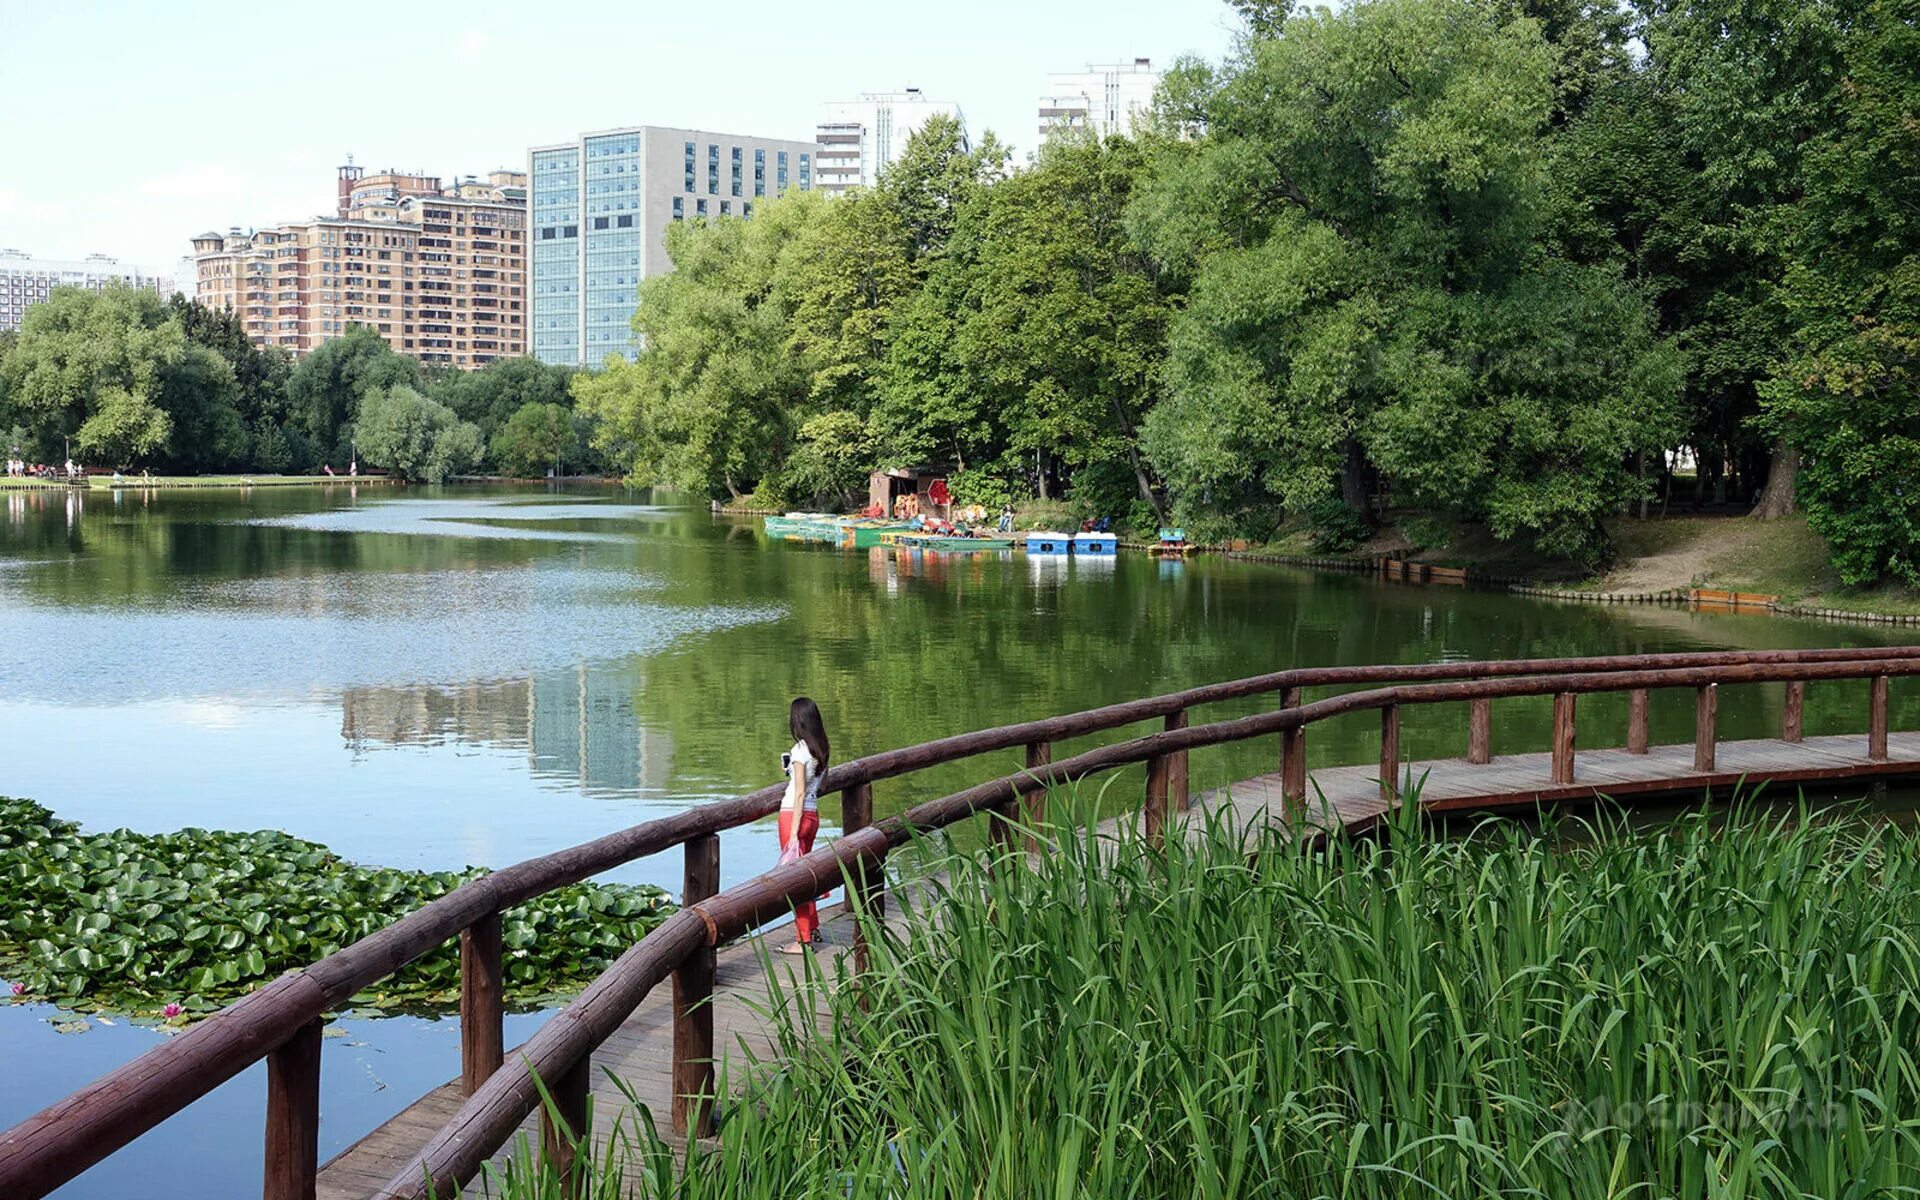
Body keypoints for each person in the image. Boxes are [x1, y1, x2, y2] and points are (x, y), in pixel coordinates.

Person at [778, 697, 830, 953]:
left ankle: (802, 941)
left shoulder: (799, 751)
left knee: (795, 880)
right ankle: (813, 928)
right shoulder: (820, 748)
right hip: (813, 816)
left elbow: (798, 793)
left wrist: (794, 833)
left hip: (794, 816)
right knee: (806, 875)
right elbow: (813, 787)